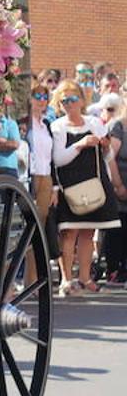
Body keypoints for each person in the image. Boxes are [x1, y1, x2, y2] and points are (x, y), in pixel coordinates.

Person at [51, 80, 120, 295]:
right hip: (70, 184)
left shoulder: (95, 122)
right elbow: (58, 159)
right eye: (64, 100)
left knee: (88, 233)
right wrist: (79, 144)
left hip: (94, 184)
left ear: (81, 100)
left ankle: (85, 277)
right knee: (69, 233)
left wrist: (105, 145)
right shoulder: (58, 126)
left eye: (73, 98)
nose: (69, 104)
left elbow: (107, 156)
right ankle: (66, 279)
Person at [24, 82, 60, 288]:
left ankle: (34, 280)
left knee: (39, 229)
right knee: (26, 229)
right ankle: (25, 280)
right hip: (30, 176)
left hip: (45, 177)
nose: (41, 100)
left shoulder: (46, 124)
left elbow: (51, 156)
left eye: (44, 97)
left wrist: (54, 186)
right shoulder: (25, 124)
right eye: (37, 96)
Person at [97, 93, 127, 284]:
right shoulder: (118, 126)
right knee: (119, 228)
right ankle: (115, 268)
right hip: (120, 184)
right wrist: (118, 186)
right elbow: (110, 158)